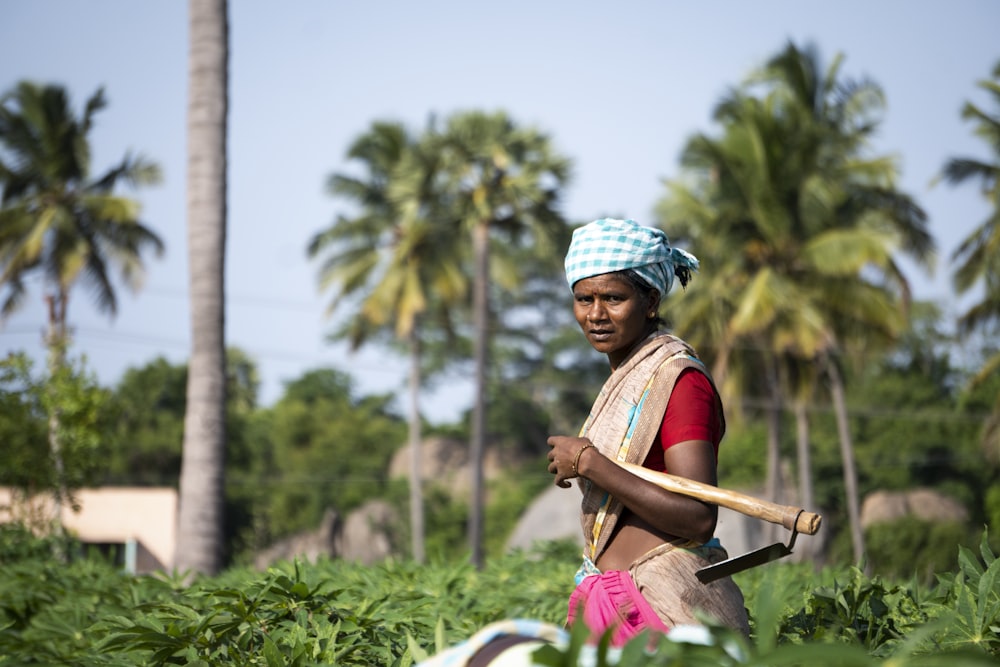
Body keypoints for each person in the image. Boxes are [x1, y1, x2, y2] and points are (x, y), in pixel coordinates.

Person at [546, 217, 750, 646]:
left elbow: (697, 517)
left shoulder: (680, 382)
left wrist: (589, 463)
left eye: (613, 298)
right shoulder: (626, 378)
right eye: (584, 299)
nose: (596, 314)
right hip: (613, 598)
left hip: (661, 605)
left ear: (651, 301)